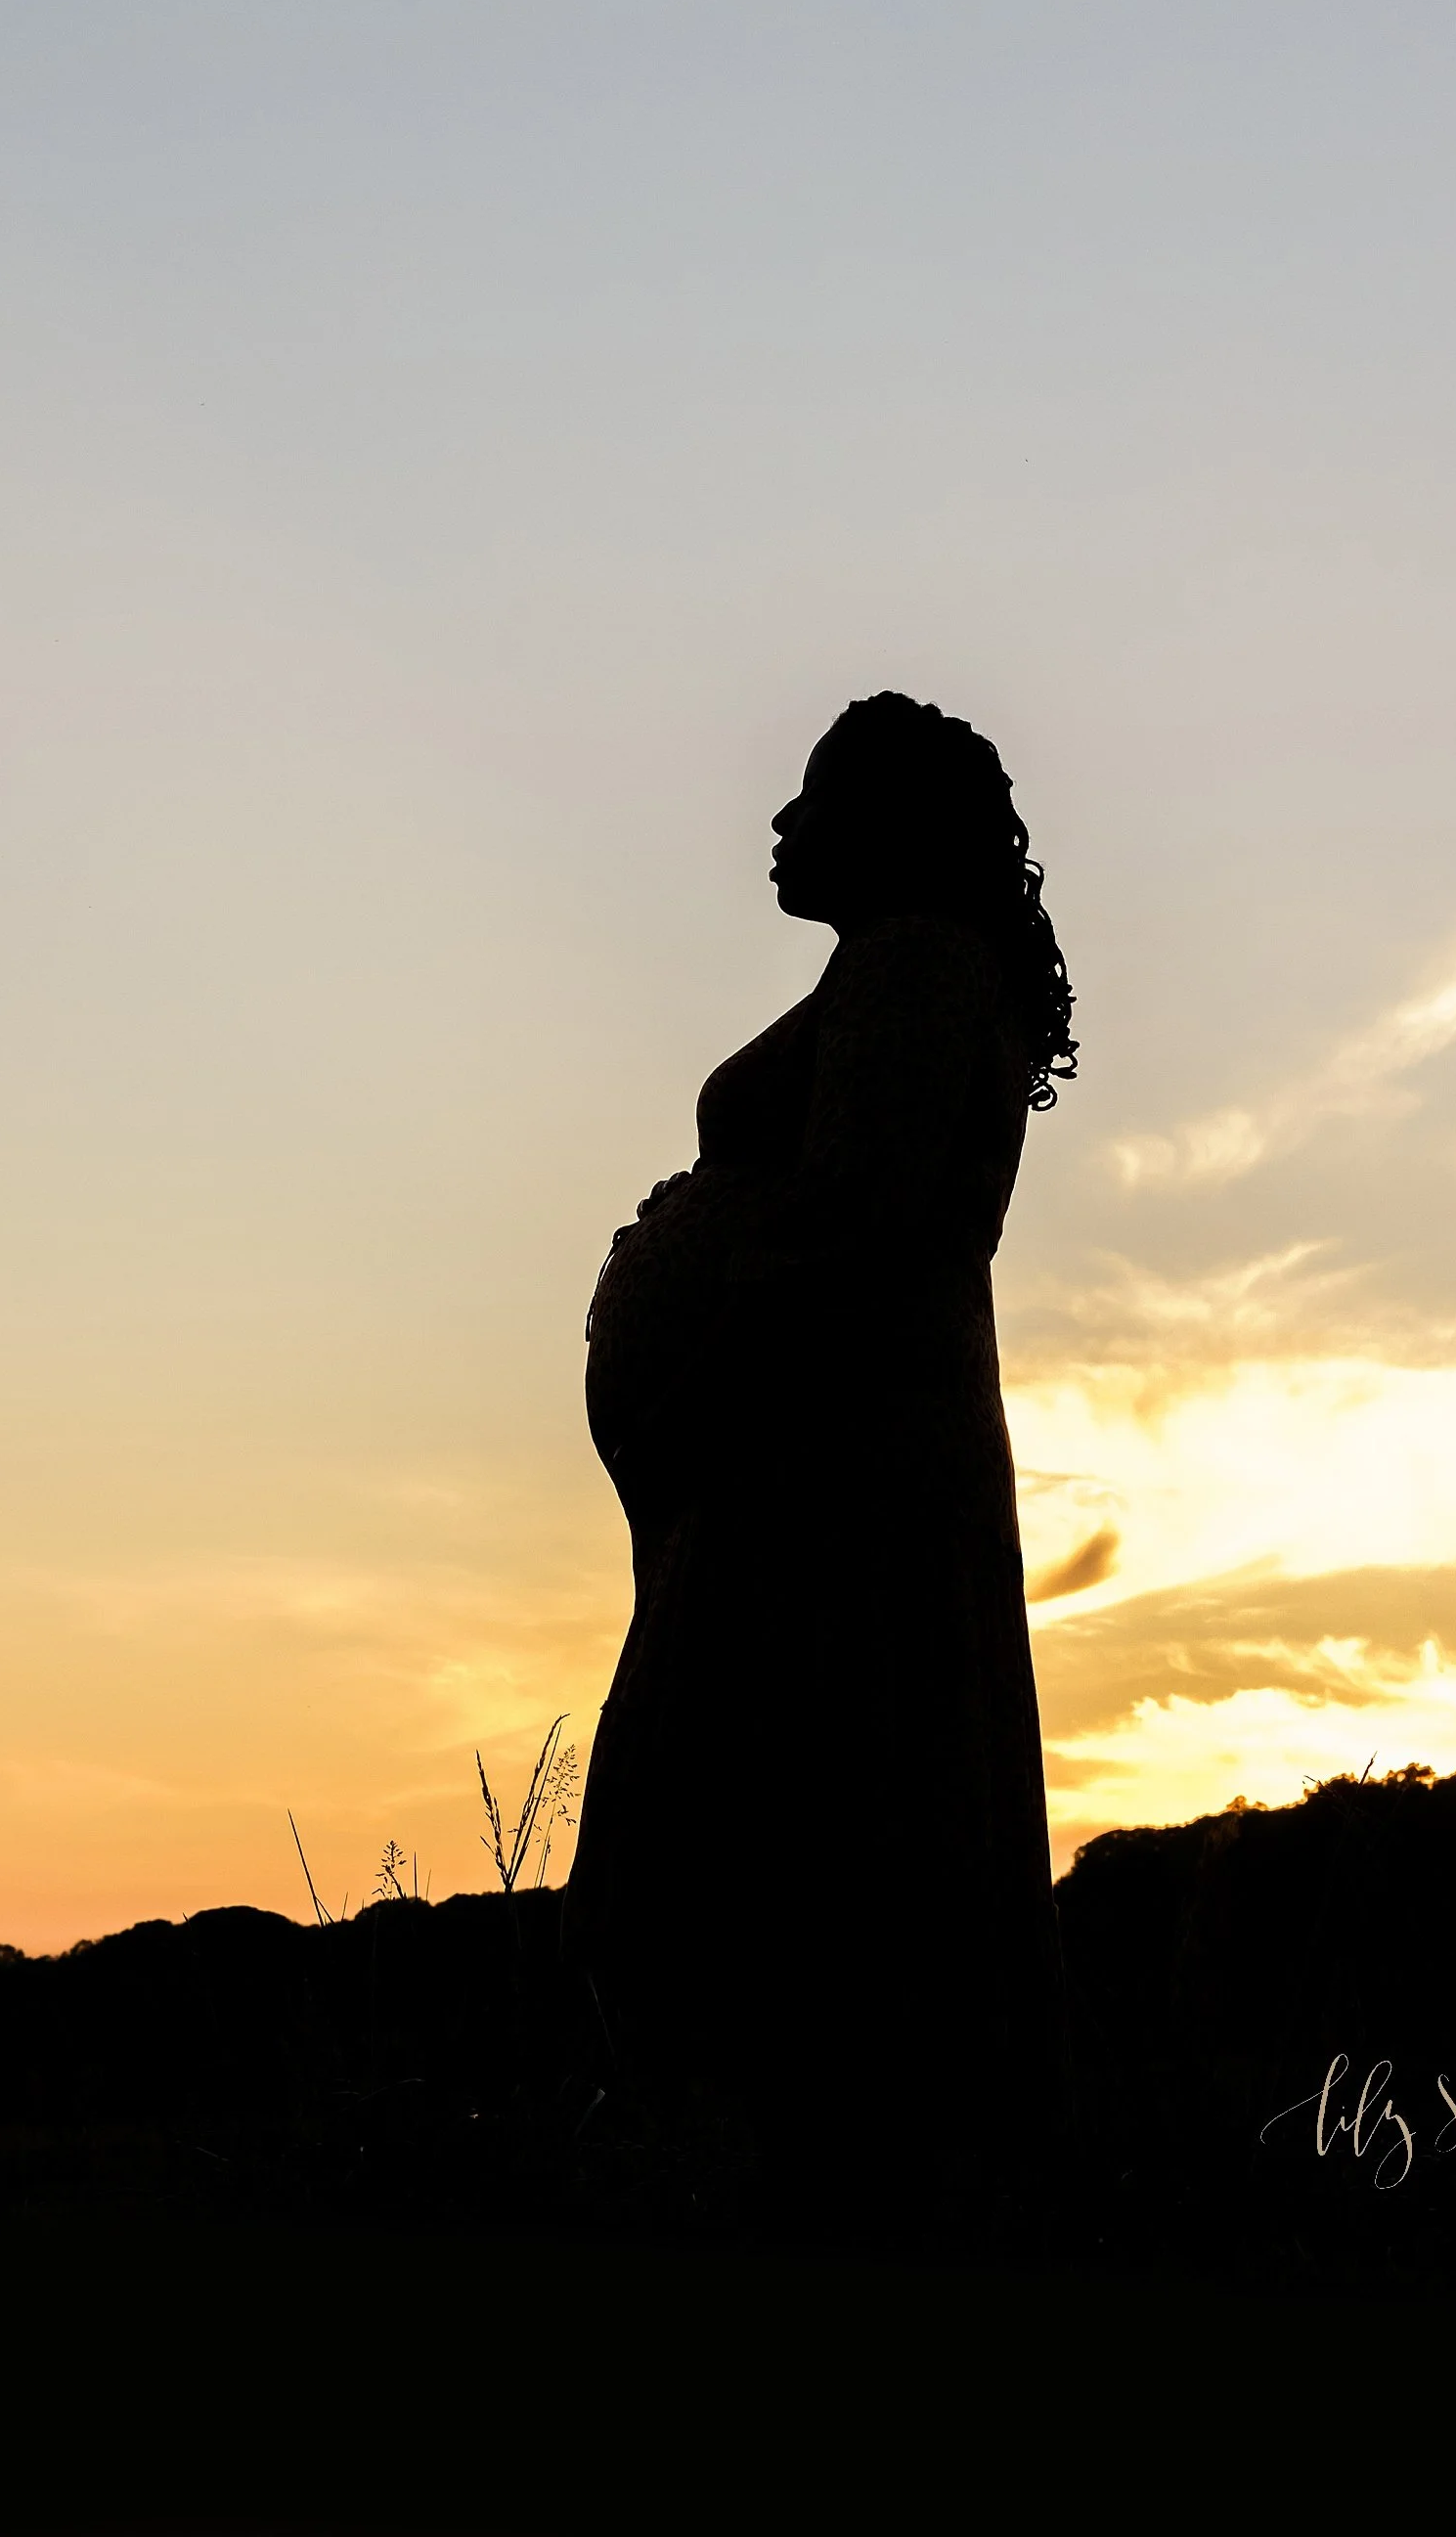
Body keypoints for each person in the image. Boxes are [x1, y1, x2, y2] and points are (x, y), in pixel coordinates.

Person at [568, 691, 1076, 2202]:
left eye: (815, 801)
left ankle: (805, 2178)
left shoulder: (915, 966)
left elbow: (847, 1229)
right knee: (784, 1807)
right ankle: (802, 2161)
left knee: (776, 1805)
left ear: (896, 829)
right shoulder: (900, 970)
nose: (782, 828)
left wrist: (690, 1398)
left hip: (829, 1473)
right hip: (812, 1459)